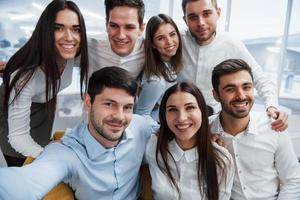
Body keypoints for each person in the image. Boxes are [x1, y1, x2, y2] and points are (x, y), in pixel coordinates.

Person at [0, 67, 158, 199]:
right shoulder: (66, 152)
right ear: (88, 102)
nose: (119, 116)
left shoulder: (139, 126)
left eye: (127, 107)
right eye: (109, 104)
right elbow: (24, 182)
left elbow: (167, 130)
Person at [0, 0, 89, 166]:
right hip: (12, 113)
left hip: (42, 109)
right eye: (58, 28)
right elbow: (18, 138)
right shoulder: (25, 76)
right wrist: (50, 155)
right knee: (23, 165)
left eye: (75, 29)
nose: (69, 37)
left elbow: (107, 45)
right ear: (46, 31)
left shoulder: (71, 52)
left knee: (41, 146)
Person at [180, 0, 287, 131]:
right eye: (193, 17)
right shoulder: (177, 40)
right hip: (181, 116)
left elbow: (260, 79)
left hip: (213, 121)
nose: (201, 23)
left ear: (218, 13)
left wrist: (272, 106)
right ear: (185, 20)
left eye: (206, 14)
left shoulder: (231, 44)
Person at [210, 59, 300, 199]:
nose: (241, 96)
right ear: (216, 95)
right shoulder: (204, 131)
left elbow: (292, 180)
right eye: (230, 89)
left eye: (246, 87)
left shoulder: (274, 127)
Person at [145, 82, 234, 200]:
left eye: (190, 107)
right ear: (164, 115)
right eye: (172, 109)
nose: (181, 118)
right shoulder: (154, 144)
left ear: (202, 111)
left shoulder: (221, 159)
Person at [134, 14, 182, 121]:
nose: (169, 42)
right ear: (153, 44)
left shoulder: (168, 64)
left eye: (172, 34)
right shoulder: (156, 81)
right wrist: (159, 130)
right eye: (161, 38)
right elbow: (140, 116)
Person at [87, 0, 145, 79]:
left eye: (129, 27)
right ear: (106, 25)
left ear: (141, 28)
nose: (121, 36)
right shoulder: (89, 45)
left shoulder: (149, 48)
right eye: (114, 26)